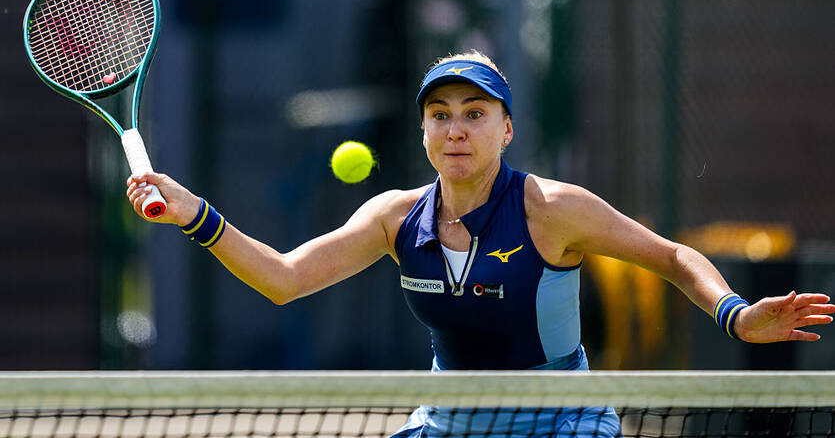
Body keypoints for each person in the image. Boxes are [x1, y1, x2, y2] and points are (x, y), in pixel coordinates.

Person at [127, 51, 834, 438]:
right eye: (440, 115)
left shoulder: (552, 209)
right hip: (449, 416)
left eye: (474, 113)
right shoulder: (393, 217)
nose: (455, 128)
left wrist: (737, 314)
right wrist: (197, 214)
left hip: (562, 417)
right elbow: (283, 277)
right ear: (426, 134)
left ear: (506, 129)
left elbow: (672, 257)